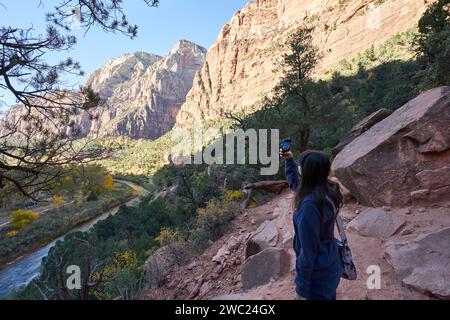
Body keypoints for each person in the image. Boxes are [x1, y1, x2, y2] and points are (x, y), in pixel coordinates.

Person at [281, 149, 343, 300]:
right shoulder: (328, 190)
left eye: (300, 165)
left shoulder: (309, 206)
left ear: (307, 171)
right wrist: (290, 161)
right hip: (330, 263)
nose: (299, 167)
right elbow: (297, 185)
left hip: (317, 274)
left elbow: (308, 252)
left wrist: (301, 289)